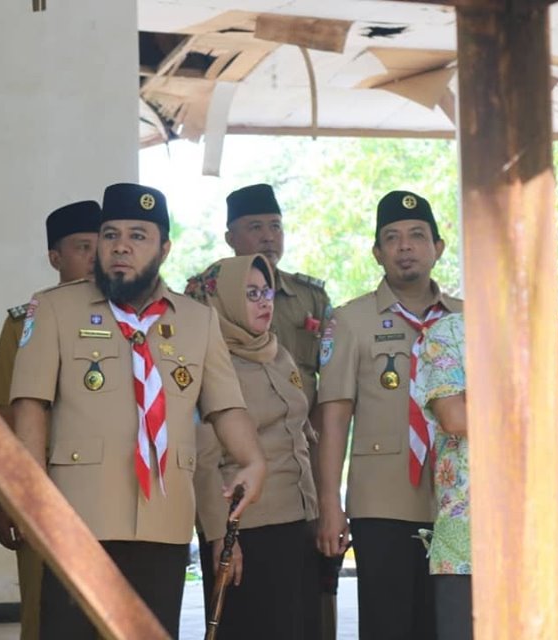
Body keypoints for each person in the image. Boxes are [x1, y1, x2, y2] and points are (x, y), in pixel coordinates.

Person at [9, 182, 266, 638]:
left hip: (164, 518)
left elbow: (226, 407)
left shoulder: (196, 320)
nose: (121, 246)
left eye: (137, 235)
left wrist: (253, 461)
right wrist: (29, 496)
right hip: (76, 515)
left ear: (164, 248)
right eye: (110, 235)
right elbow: (30, 405)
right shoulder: (53, 309)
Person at [316, 190, 462, 640]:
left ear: (438, 246)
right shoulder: (350, 321)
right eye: (392, 237)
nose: (405, 246)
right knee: (388, 626)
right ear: (377, 252)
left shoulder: (467, 320)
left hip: (460, 501)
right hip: (382, 503)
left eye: (417, 235)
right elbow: (334, 421)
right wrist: (329, 505)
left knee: (452, 626)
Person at [415, 313, 558, 639]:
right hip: (468, 547)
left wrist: (485, 407)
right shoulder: (450, 332)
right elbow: (453, 416)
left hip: (556, 543)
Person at [223, 182, 337, 637]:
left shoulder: (310, 298)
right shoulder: (207, 298)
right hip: (244, 495)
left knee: (305, 613)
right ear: (231, 236)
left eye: (275, 226)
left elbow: (326, 390)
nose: (269, 236)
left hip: (300, 480)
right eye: (255, 227)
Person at [0, 199, 100, 640]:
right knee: (44, 614)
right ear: (55, 258)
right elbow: (3, 417)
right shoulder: (25, 324)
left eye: (101, 244)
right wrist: (5, 499)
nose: (95, 257)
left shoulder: (134, 322)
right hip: (45, 493)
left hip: (113, 495)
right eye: (82, 247)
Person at [186, 254, 320, 639]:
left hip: (296, 522)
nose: (264, 301)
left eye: (267, 291)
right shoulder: (211, 363)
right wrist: (220, 537)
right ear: (223, 300)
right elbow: (205, 461)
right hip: (246, 531)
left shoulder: (277, 353)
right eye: (250, 294)